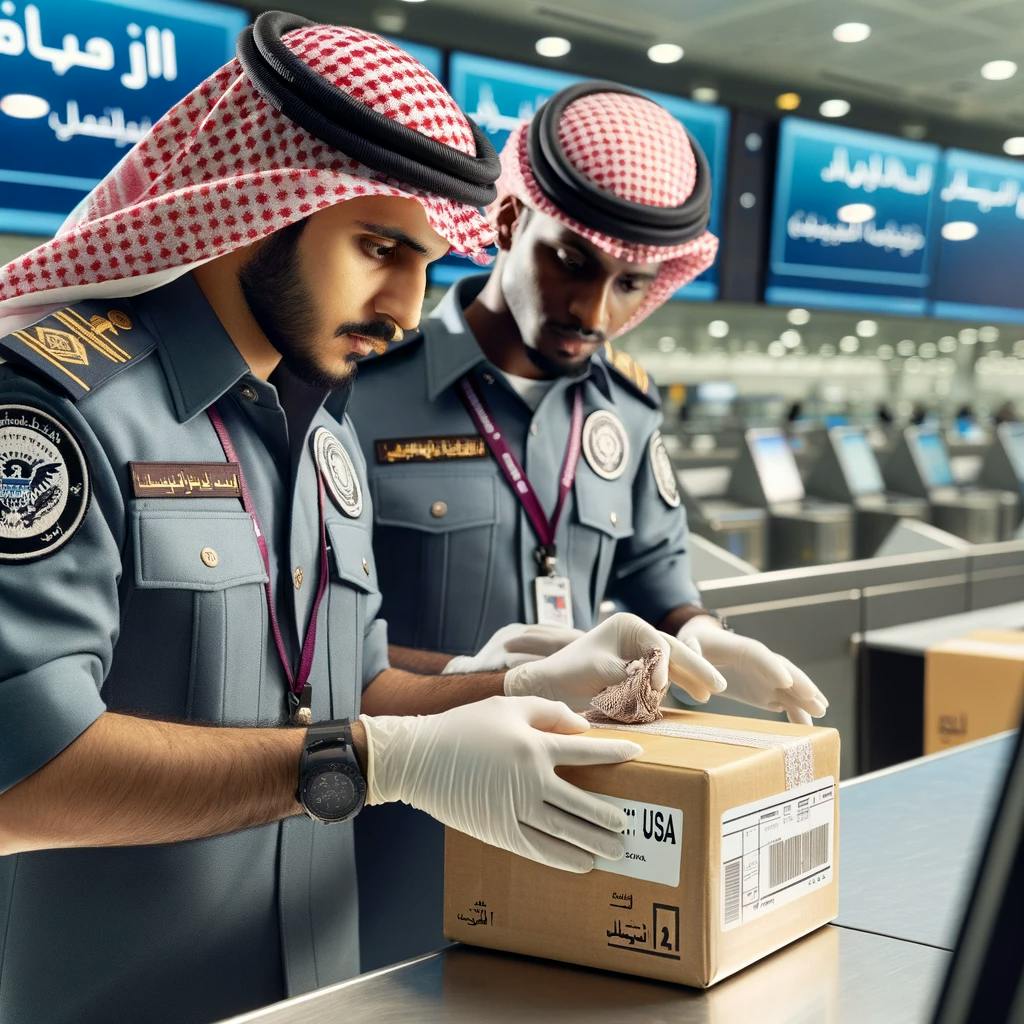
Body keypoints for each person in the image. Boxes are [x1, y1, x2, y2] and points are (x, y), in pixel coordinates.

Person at [0, 20, 724, 1024]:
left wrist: (509, 684)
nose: (404, 305)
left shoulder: (319, 432)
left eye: (425, 260)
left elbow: (353, 685)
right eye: (379, 249)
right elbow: (21, 779)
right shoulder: (57, 414)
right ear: (252, 206)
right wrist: (375, 762)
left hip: (328, 986)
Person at [343, 82, 829, 969]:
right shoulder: (361, 386)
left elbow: (656, 576)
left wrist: (712, 642)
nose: (596, 313)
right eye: (571, 261)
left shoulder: (627, 412)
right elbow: (313, 642)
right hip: (395, 811)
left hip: (574, 807)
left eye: (632, 284)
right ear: (507, 222)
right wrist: (481, 678)